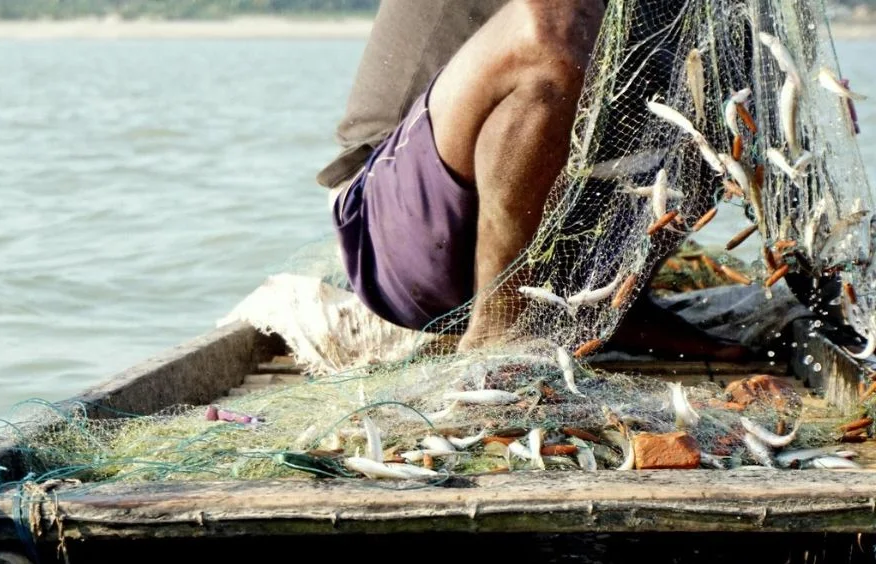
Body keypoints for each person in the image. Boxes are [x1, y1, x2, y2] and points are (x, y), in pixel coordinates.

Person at [318, 0, 753, 360]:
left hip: (577, 253)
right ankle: (501, 331)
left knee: (744, 51)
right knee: (550, 23)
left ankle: (613, 306)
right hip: (398, 238)